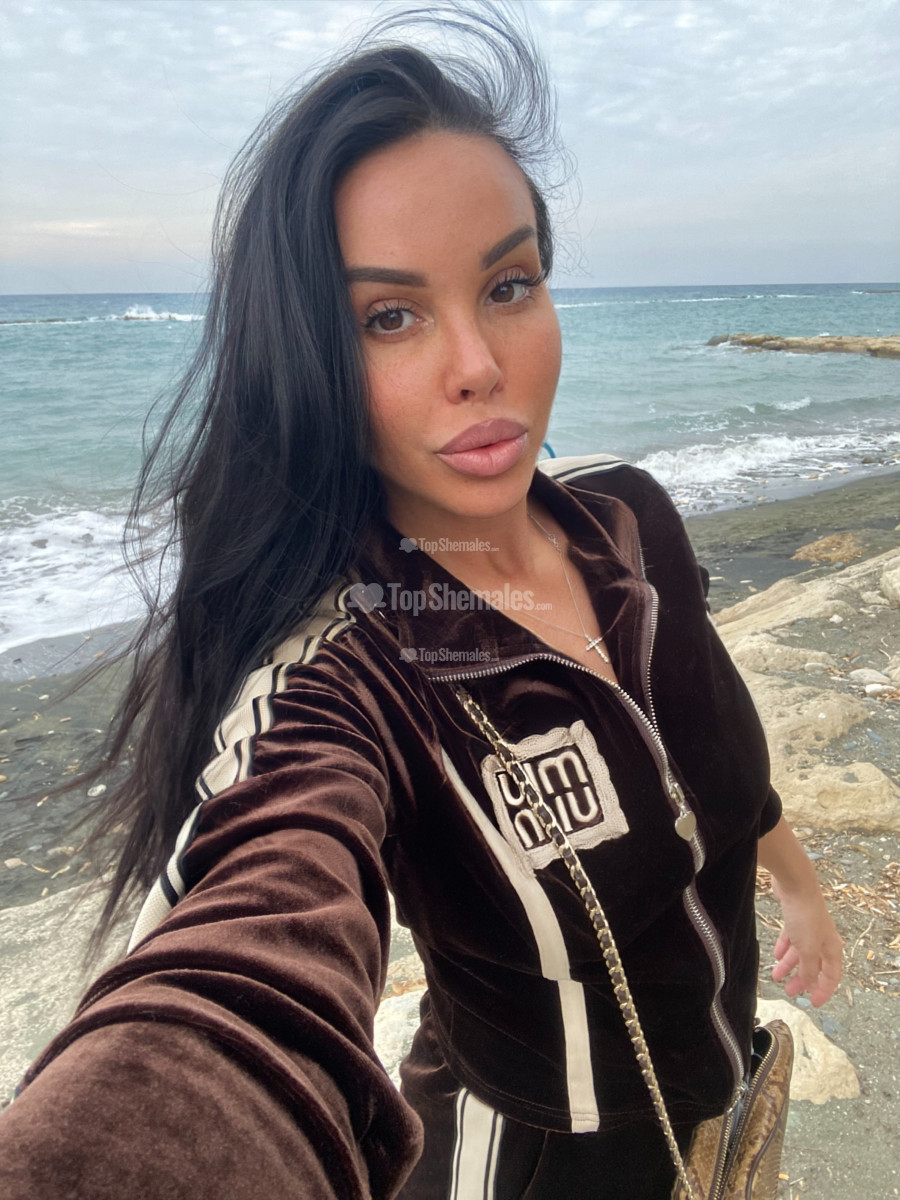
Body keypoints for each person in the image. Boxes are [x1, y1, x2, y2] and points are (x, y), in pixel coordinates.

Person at [0, 8, 842, 1198]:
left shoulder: (631, 515)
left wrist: (798, 884)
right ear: (310, 364)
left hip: (717, 1099)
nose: (479, 365)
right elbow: (246, 956)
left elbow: (712, 735)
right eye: (388, 316)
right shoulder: (350, 678)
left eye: (509, 284)